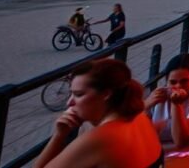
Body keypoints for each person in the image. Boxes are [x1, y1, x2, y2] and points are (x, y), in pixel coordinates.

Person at [34, 59, 162, 168]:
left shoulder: (99, 139)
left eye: (78, 94)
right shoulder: (139, 117)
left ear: (106, 94)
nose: (69, 102)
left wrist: (58, 136)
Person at [144, 54, 189, 150]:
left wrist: (177, 104)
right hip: (161, 149)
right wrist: (146, 105)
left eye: (184, 81)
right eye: (173, 82)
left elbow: (181, 140)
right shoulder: (158, 95)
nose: (178, 87)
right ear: (166, 81)